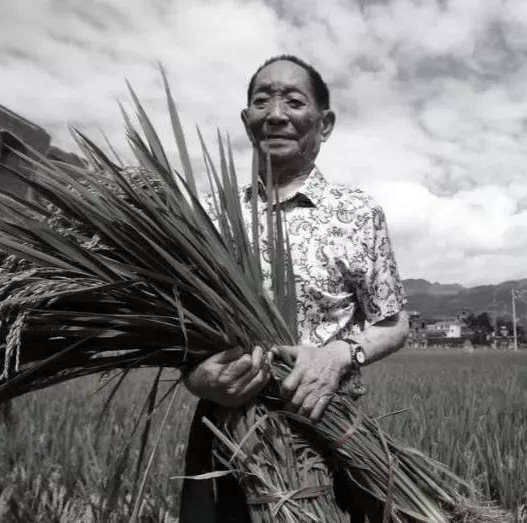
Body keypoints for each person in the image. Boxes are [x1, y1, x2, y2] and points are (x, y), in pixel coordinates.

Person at [179, 55, 409, 522]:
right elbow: (177, 325)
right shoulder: (207, 216)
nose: (276, 113)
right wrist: (196, 377)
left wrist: (338, 355)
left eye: (294, 100)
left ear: (324, 124)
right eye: (261, 101)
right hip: (227, 431)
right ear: (247, 122)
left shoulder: (357, 212)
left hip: (333, 429)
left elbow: (392, 321)